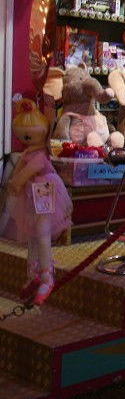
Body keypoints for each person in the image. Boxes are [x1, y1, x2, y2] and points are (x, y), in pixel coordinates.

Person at [7, 99, 73, 306]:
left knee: (42, 233)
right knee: (33, 233)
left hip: (44, 193)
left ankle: (46, 276)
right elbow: (20, 170)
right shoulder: (28, 152)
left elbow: (26, 172)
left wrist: (16, 183)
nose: (25, 138)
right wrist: (14, 182)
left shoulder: (40, 156)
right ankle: (33, 272)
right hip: (30, 195)